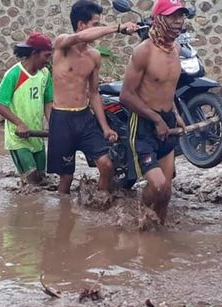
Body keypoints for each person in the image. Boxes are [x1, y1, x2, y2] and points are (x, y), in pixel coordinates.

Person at [47, 0, 138, 194]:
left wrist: (105, 127)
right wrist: (118, 28)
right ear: (81, 25)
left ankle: (99, 203)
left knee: (106, 166)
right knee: (66, 178)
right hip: (61, 119)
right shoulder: (62, 45)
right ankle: (62, 216)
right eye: (95, 24)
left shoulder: (94, 56)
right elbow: (79, 37)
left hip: (84, 117)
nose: (99, 28)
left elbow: (94, 93)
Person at [119, 0, 188, 222]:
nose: (178, 22)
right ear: (159, 19)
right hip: (144, 124)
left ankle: (159, 237)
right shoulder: (143, 51)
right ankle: (141, 219)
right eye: (172, 17)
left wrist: (175, 115)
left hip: (166, 121)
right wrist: (156, 119)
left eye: (181, 16)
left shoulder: (176, 49)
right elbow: (126, 95)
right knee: (157, 185)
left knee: (166, 191)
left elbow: (168, 88)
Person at [0, 32, 53, 185]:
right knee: (31, 181)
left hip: (36, 137)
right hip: (18, 138)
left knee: (42, 179)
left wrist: (53, 125)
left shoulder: (45, 74)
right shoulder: (14, 74)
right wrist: (19, 123)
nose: (48, 60)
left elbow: (48, 102)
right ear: (34, 53)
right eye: (46, 56)